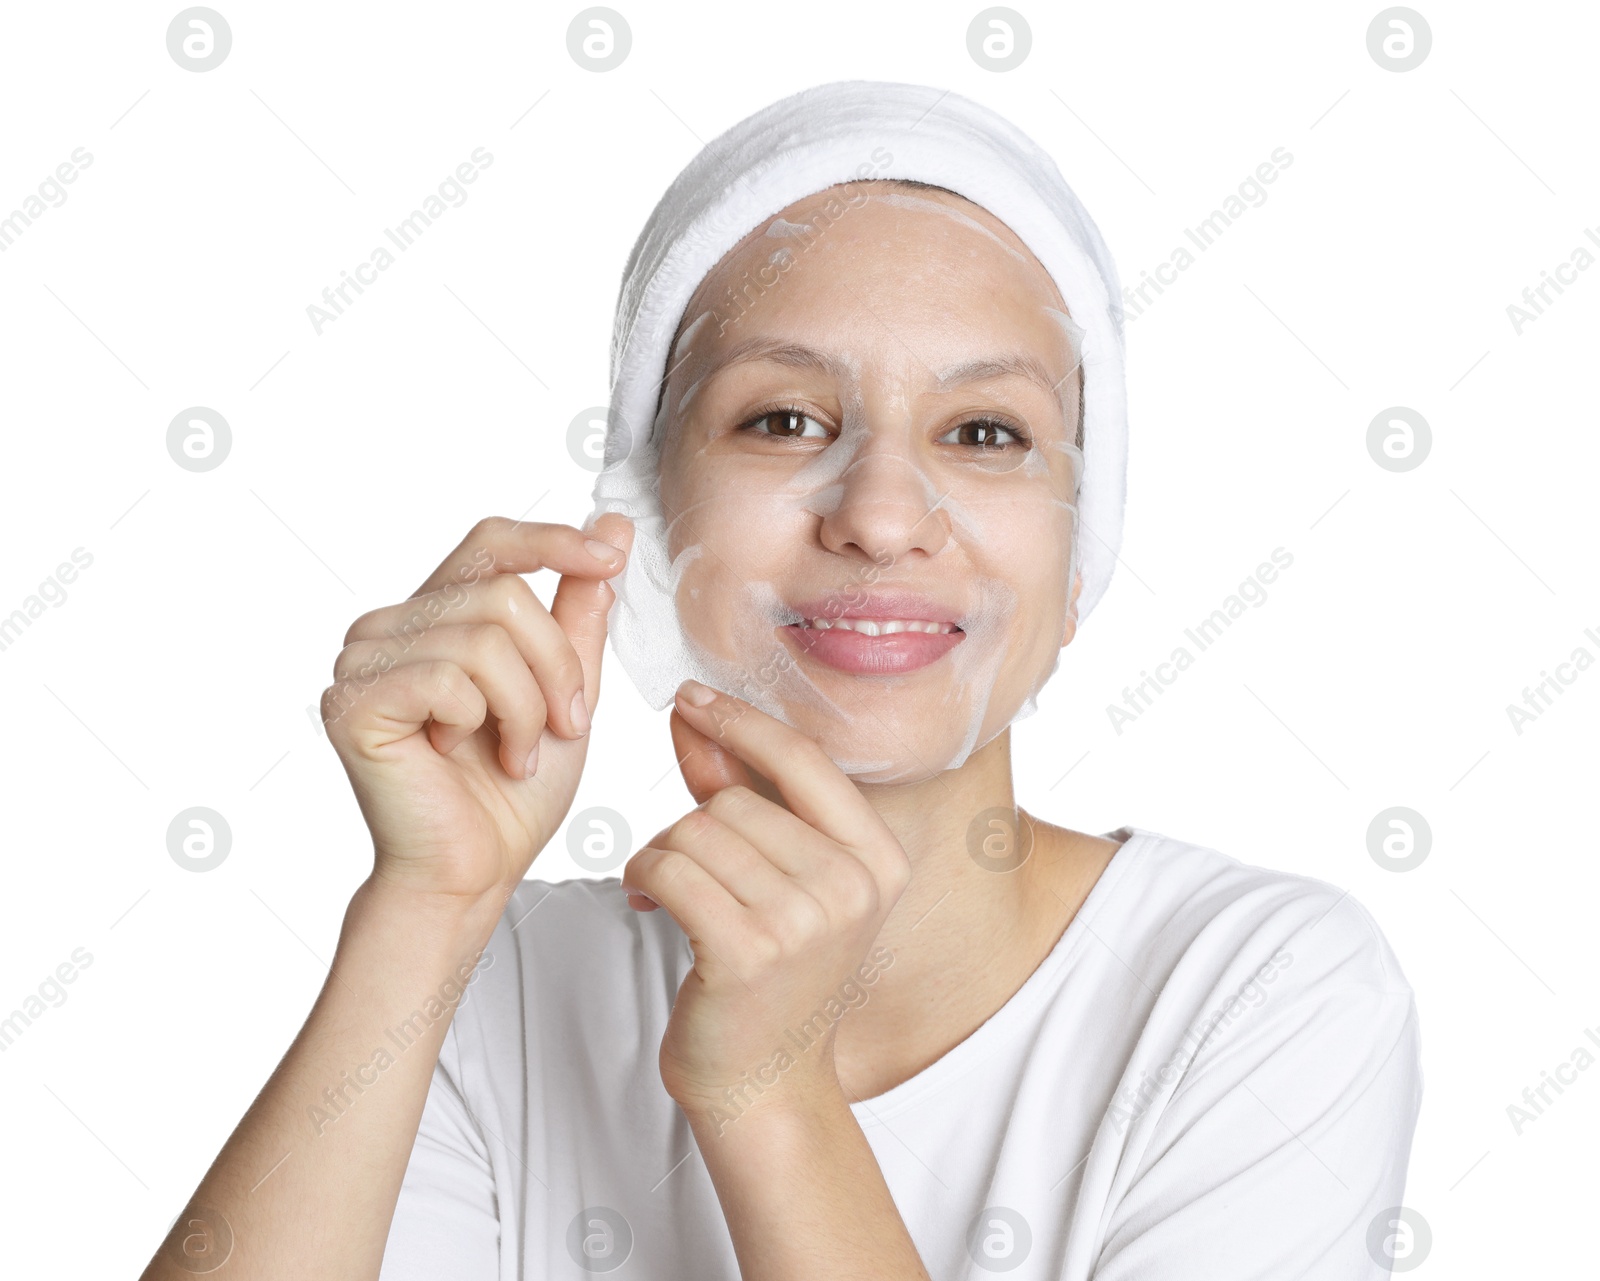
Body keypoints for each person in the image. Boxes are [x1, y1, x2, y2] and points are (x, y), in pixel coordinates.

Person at [141, 87, 1421, 1281]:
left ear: (1084, 543)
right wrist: (424, 909)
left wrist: (771, 1092)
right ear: (637, 514)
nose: (879, 516)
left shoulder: (1257, 988)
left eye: (984, 434)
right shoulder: (494, 979)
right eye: (784, 419)